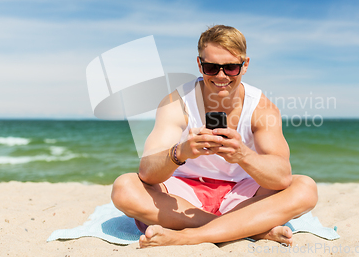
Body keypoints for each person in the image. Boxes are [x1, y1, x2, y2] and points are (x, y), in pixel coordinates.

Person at [111, 25, 318, 248]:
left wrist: (243, 155)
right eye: (211, 67)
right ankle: (246, 229)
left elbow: (282, 177)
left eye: (230, 68)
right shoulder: (177, 102)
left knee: (305, 188)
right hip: (185, 195)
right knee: (124, 188)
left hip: (241, 194)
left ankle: (189, 236)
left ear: (245, 65)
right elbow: (147, 172)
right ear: (200, 64)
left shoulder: (261, 108)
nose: (221, 76)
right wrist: (180, 152)